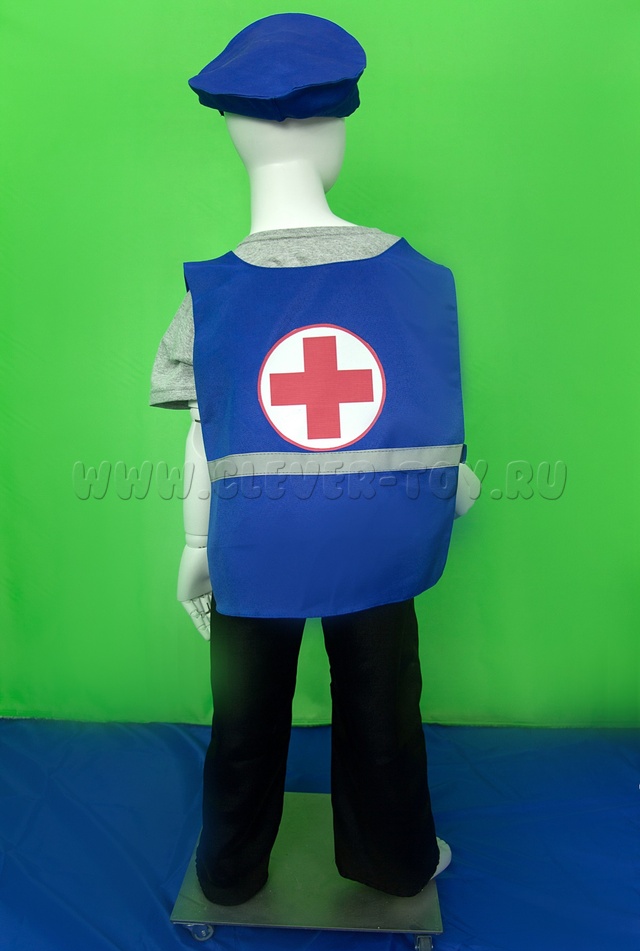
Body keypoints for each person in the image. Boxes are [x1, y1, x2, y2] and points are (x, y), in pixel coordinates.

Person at [150, 13, 480, 906]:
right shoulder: (418, 279)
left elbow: (201, 435)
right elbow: (429, 411)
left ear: (235, 133)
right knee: (382, 705)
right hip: (381, 539)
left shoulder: (212, 295)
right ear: (336, 132)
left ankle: (229, 873)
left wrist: (196, 548)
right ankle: (397, 861)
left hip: (254, 544)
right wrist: (451, 486)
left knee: (244, 712)